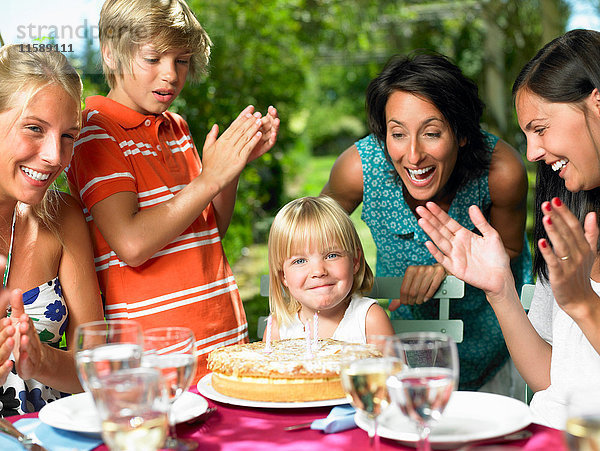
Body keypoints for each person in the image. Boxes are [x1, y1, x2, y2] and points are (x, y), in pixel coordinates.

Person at [66, 0, 279, 382]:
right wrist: (209, 179)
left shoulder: (176, 127)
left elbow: (209, 228)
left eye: (181, 60)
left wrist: (230, 169)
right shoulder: (96, 134)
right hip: (155, 367)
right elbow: (131, 244)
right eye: (153, 59)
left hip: (221, 347)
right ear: (111, 54)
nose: (170, 75)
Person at [416, 29, 600, 429]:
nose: (532, 152)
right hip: (550, 430)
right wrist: (500, 290)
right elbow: (552, 378)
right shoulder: (569, 213)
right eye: (527, 135)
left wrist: (585, 304)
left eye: (540, 128)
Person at [321, 52, 532, 393]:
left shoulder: (501, 171)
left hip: (494, 345)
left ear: (462, 133)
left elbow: (510, 249)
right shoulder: (358, 170)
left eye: (432, 133)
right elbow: (310, 233)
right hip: (401, 349)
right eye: (398, 134)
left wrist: (448, 269)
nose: (414, 155)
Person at [0, 45, 104, 416]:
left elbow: (97, 369)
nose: (55, 157)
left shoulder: (63, 217)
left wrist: (41, 360)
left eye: (68, 136)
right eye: (34, 129)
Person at [265, 196, 394, 344]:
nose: (318, 271)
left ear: (355, 261)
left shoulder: (369, 320)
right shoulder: (278, 328)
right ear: (283, 276)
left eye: (331, 255)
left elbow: (393, 367)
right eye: (300, 261)